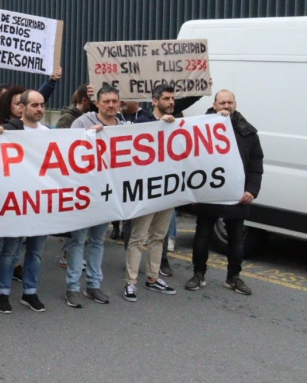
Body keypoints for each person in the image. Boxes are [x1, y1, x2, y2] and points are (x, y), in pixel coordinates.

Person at [186, 90, 263, 295]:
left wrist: (252, 191)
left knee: (236, 239)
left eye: (230, 102)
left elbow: (256, 164)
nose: (226, 106)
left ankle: (233, 277)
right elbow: (189, 160)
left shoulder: (248, 132)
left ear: (235, 104)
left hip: (236, 195)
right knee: (202, 237)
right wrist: (193, 192)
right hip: (208, 194)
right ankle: (198, 274)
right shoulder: (200, 127)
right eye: (222, 102)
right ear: (214, 104)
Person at [58, 85, 125, 308]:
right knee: (78, 241)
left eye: (114, 101)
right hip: (84, 194)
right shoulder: (82, 123)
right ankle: (72, 288)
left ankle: (94, 285)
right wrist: (87, 138)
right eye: (106, 101)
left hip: (106, 195)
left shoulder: (124, 127)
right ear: (97, 103)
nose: (111, 105)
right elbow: (66, 150)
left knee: (98, 241)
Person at [120, 84, 180, 302]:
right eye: (166, 98)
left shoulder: (177, 123)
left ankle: (153, 278)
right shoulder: (143, 122)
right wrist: (158, 126)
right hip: (147, 190)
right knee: (138, 237)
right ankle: (131, 282)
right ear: (155, 101)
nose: (171, 102)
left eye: (172, 98)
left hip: (168, 189)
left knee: (159, 237)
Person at [0, 90, 50, 314]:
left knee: (34, 252)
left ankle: (30, 292)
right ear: (22, 108)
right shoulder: (9, 131)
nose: (39, 110)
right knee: (10, 251)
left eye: (42, 105)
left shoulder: (49, 133)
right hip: (16, 202)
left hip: (40, 202)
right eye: (34, 105)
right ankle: (3, 293)